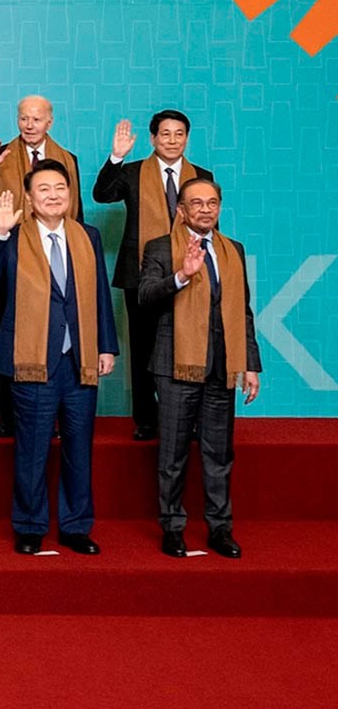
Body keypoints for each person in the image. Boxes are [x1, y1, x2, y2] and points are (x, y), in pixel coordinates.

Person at [0, 161, 117, 556]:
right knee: (32, 450)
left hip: (79, 359)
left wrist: (106, 346)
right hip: (32, 359)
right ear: (29, 197)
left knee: (79, 449)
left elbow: (100, 295)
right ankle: (30, 526)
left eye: (60, 188)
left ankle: (76, 526)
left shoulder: (87, 236)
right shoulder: (13, 236)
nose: (53, 195)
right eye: (44, 189)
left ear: (70, 194)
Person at [138, 178, 260, 559]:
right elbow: (145, 297)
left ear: (219, 208)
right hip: (175, 366)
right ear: (181, 210)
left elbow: (242, 310)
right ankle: (173, 528)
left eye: (212, 203)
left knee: (218, 454)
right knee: (173, 455)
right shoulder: (160, 247)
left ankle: (220, 528)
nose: (205, 209)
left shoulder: (233, 250)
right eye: (196, 203)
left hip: (222, 366)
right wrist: (182, 276)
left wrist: (250, 364)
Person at [0, 95, 83, 438]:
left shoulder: (67, 160)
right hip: (10, 258)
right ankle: (9, 414)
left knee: (55, 333)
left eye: (36, 119)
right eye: (23, 119)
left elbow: (77, 215)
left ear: (50, 122)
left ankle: (52, 415)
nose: (29, 125)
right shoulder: (2, 156)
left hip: (54, 258)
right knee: (6, 334)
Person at [93, 110, 213, 441]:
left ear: (186, 138)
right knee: (144, 348)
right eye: (165, 134)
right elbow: (102, 195)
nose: (172, 140)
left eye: (179, 134)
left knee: (187, 344)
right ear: (152, 138)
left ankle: (187, 417)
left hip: (189, 271)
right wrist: (116, 157)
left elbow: (209, 224)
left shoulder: (201, 176)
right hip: (139, 273)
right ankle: (146, 418)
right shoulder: (132, 172)